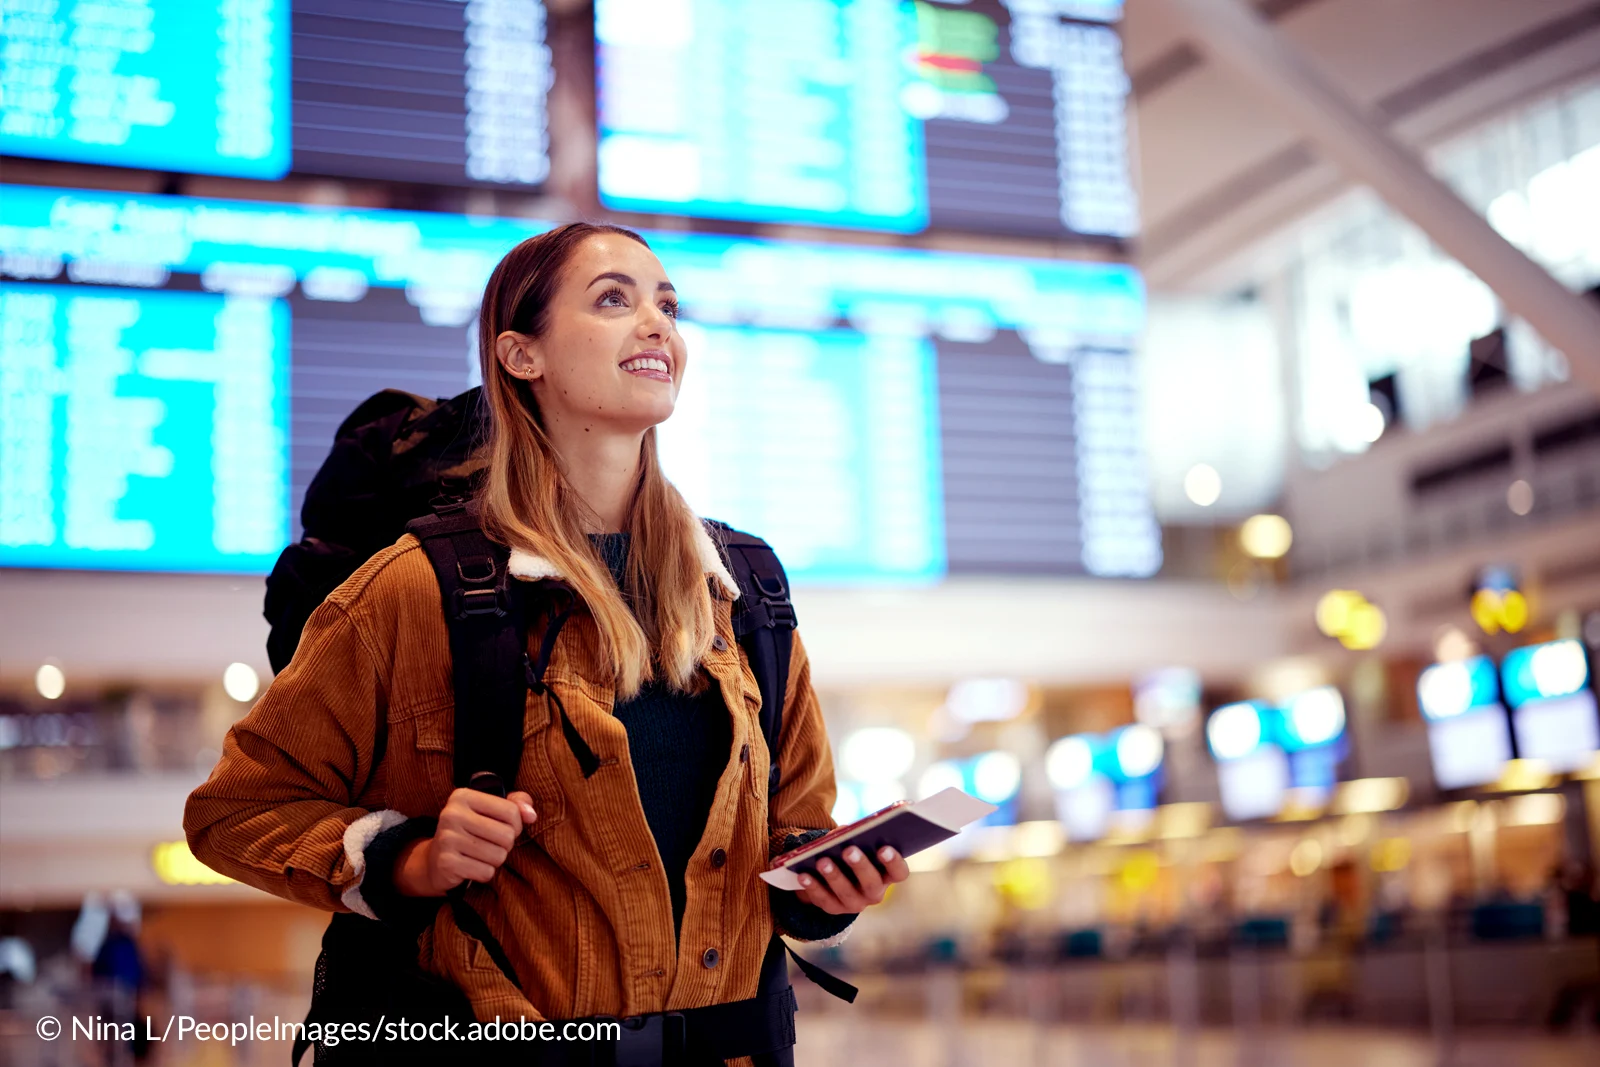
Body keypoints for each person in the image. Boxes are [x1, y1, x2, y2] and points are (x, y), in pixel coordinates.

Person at [183, 223, 908, 1064]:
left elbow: (792, 831)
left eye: (666, 304)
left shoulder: (743, 593)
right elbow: (236, 810)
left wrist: (823, 888)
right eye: (614, 300)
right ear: (521, 356)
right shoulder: (415, 590)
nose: (657, 325)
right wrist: (409, 858)